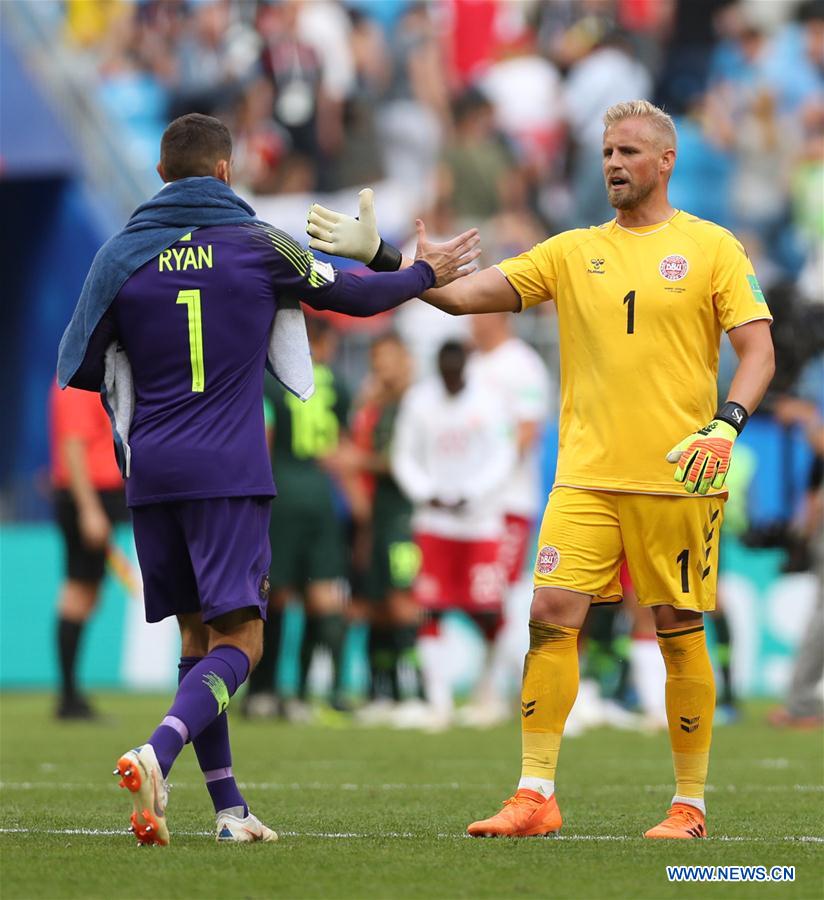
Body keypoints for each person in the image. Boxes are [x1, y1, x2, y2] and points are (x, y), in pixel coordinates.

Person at [307, 99, 776, 839]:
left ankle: (690, 806)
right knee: (550, 617)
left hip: (679, 476)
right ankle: (535, 795)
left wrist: (727, 426)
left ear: (666, 161)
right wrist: (387, 261)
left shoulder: (714, 247)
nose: (614, 164)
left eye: (628, 151)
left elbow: (758, 351)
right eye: (606, 152)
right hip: (585, 477)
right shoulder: (570, 251)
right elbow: (461, 298)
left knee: (677, 626)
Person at [56, 112, 479, 846]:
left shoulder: (118, 255)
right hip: (227, 468)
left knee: (199, 641)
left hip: (154, 471)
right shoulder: (256, 244)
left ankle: (229, 810)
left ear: (161, 177)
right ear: (226, 172)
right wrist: (419, 271)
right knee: (242, 642)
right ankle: (157, 752)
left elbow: (80, 363)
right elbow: (352, 298)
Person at [390, 340, 515, 731]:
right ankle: (439, 701)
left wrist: (472, 494)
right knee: (429, 607)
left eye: (456, 374)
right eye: (445, 374)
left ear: (465, 369)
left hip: (480, 524)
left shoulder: (489, 402)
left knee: (489, 611)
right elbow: (404, 455)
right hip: (434, 524)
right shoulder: (419, 401)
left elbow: (503, 454)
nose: (450, 381)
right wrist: (426, 492)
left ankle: (489, 690)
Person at [246, 317, 354, 720]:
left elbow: (264, 441)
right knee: (323, 594)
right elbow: (343, 447)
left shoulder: (270, 383)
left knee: (277, 595)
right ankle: (311, 694)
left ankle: (265, 691)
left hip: (282, 493)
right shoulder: (338, 387)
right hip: (322, 496)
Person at [460, 312, 553, 726]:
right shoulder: (471, 365)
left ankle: (502, 687)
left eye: (477, 315)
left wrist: (487, 478)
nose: (469, 323)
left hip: (509, 501)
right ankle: (495, 683)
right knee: (473, 594)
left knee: (498, 592)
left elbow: (527, 431)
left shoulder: (522, 364)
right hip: (470, 503)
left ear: (498, 316)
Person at [49, 382, 128, 719]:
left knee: (87, 592)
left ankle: (70, 695)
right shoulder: (77, 382)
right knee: (78, 591)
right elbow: (73, 445)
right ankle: (68, 697)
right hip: (88, 496)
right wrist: (89, 509)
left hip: (98, 495)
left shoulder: (90, 380)